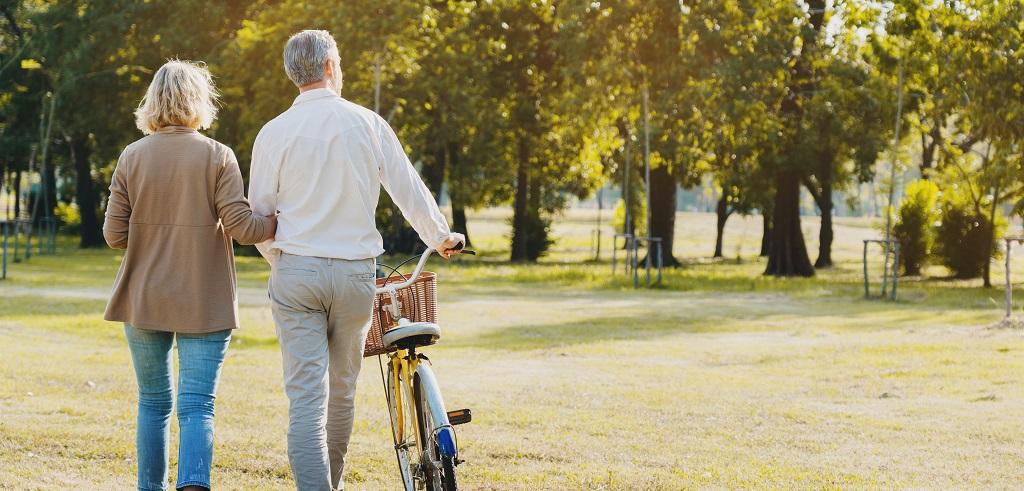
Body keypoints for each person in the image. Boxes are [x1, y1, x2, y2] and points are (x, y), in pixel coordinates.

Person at [248, 30, 464, 491]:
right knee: (341, 393)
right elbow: (407, 187)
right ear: (330, 66)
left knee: (307, 399)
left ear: (293, 73)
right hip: (354, 276)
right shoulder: (366, 122)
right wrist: (440, 237)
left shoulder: (273, 133)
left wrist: (280, 259)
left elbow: (259, 215)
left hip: (296, 272)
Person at [103, 59, 277, 491]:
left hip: (144, 298)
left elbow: (113, 235)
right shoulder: (218, 155)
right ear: (200, 101)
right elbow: (243, 229)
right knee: (197, 406)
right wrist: (275, 221)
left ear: (153, 102)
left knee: (153, 404)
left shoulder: (132, 156)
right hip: (205, 299)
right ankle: (194, 484)